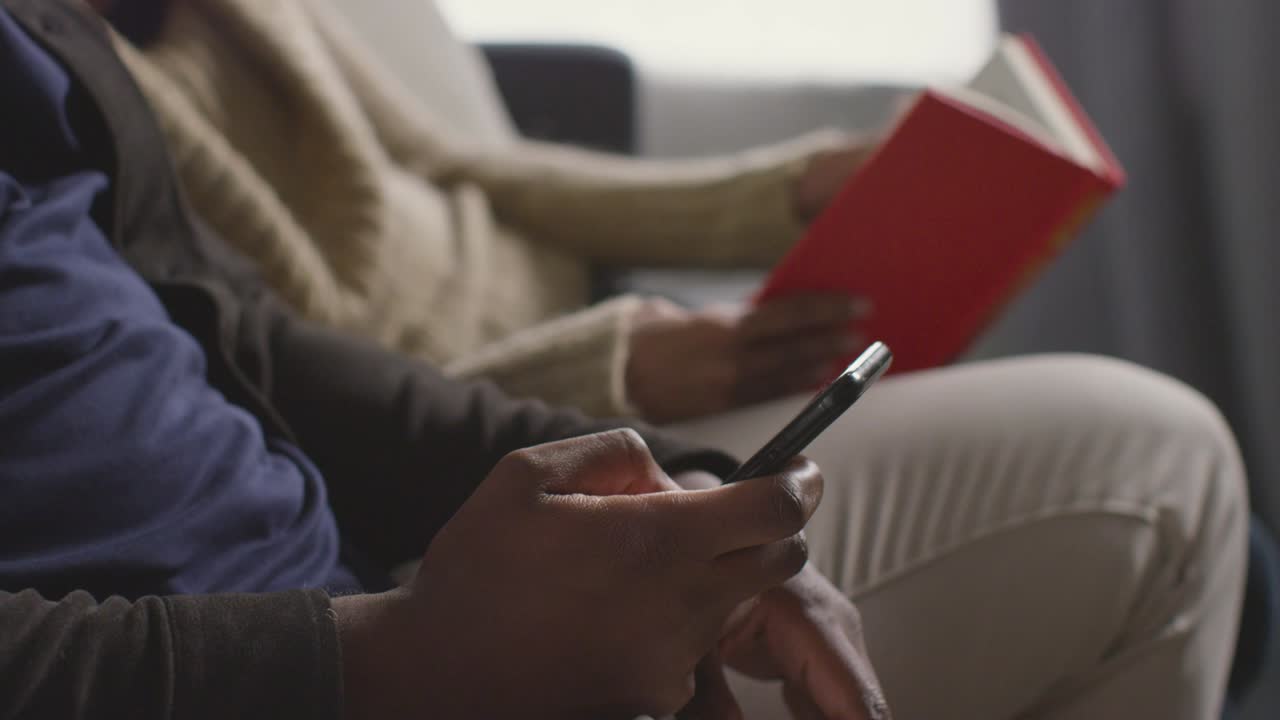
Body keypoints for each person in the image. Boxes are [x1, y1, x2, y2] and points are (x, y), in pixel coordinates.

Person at [0, 2, 1251, 720]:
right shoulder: (153, 82)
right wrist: (403, 649)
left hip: (413, 536)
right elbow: (332, 319)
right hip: (351, 634)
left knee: (1167, 479)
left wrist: (770, 207)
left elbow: (269, 315)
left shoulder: (63, 37)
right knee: (1153, 466)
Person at [102, 0, 878, 422]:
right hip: (523, 405)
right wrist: (600, 373)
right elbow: (279, 400)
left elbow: (457, 163)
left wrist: (786, 192)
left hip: (613, 317)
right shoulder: (71, 104)